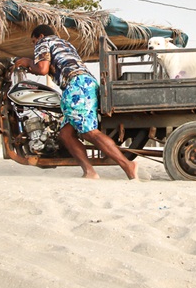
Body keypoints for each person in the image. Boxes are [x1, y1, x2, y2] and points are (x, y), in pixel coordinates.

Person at [15, 24, 139, 180]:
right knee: (66, 134)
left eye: (33, 41)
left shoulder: (44, 42)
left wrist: (27, 62)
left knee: (89, 132)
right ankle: (89, 171)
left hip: (76, 86)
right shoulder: (65, 44)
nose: (34, 45)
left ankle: (128, 165)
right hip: (85, 83)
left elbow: (43, 69)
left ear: (40, 36)